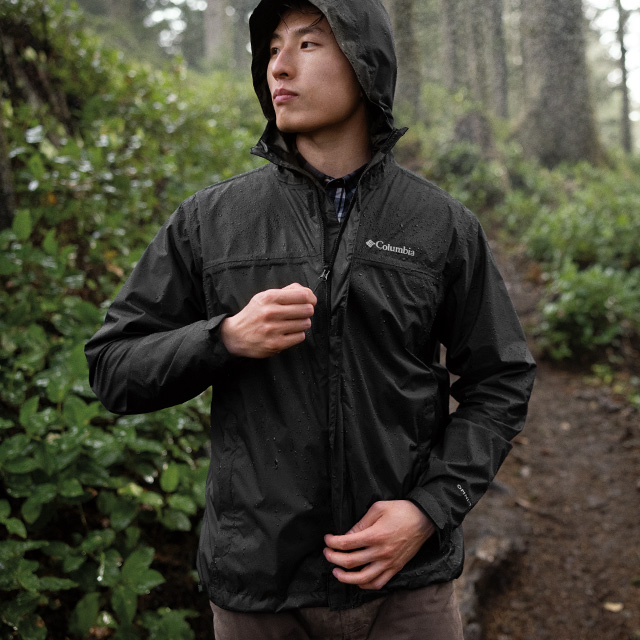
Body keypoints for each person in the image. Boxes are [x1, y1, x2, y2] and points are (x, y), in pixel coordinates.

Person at [85, 0, 536, 638]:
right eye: (271, 49)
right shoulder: (212, 220)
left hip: (406, 584)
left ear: (365, 63)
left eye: (308, 44)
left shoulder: (441, 226)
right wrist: (224, 339)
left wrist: (429, 510)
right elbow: (112, 366)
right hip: (258, 588)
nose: (279, 67)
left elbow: (500, 381)